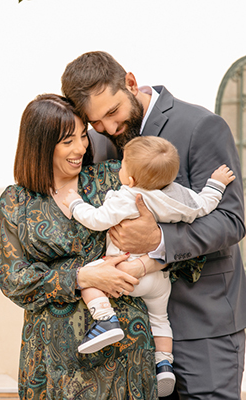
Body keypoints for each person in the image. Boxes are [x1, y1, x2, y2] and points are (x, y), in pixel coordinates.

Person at [61, 51, 246, 400]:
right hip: (133, 336)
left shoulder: (201, 126)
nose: (109, 129)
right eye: (96, 122)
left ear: (131, 83)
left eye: (113, 112)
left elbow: (231, 221)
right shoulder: (98, 141)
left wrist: (158, 239)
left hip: (204, 323)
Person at [0, 93, 201, 399]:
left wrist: (145, 262)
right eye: (68, 141)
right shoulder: (16, 202)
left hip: (127, 357)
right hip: (54, 364)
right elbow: (13, 280)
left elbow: (182, 241)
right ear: (41, 145)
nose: (81, 147)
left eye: (83, 136)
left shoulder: (115, 179)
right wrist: (83, 277)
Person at [62, 135, 236, 397]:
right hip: (158, 277)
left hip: (125, 270)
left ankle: (105, 320)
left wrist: (75, 203)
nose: (119, 168)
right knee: (160, 319)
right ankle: (164, 363)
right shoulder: (178, 195)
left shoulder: (128, 197)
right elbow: (204, 205)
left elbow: (96, 219)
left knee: (90, 279)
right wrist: (216, 184)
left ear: (131, 179)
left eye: (123, 166)